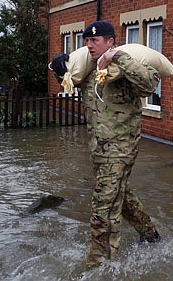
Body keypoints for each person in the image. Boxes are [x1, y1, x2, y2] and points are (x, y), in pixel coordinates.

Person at [50, 20, 161, 267]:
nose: (89, 45)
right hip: (99, 150)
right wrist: (60, 66)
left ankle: (98, 262)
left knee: (103, 203)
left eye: (94, 41)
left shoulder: (128, 66)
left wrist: (118, 57)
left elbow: (149, 84)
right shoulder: (88, 70)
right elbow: (70, 80)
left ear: (110, 41)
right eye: (86, 41)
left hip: (121, 149)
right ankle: (150, 235)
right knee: (122, 196)